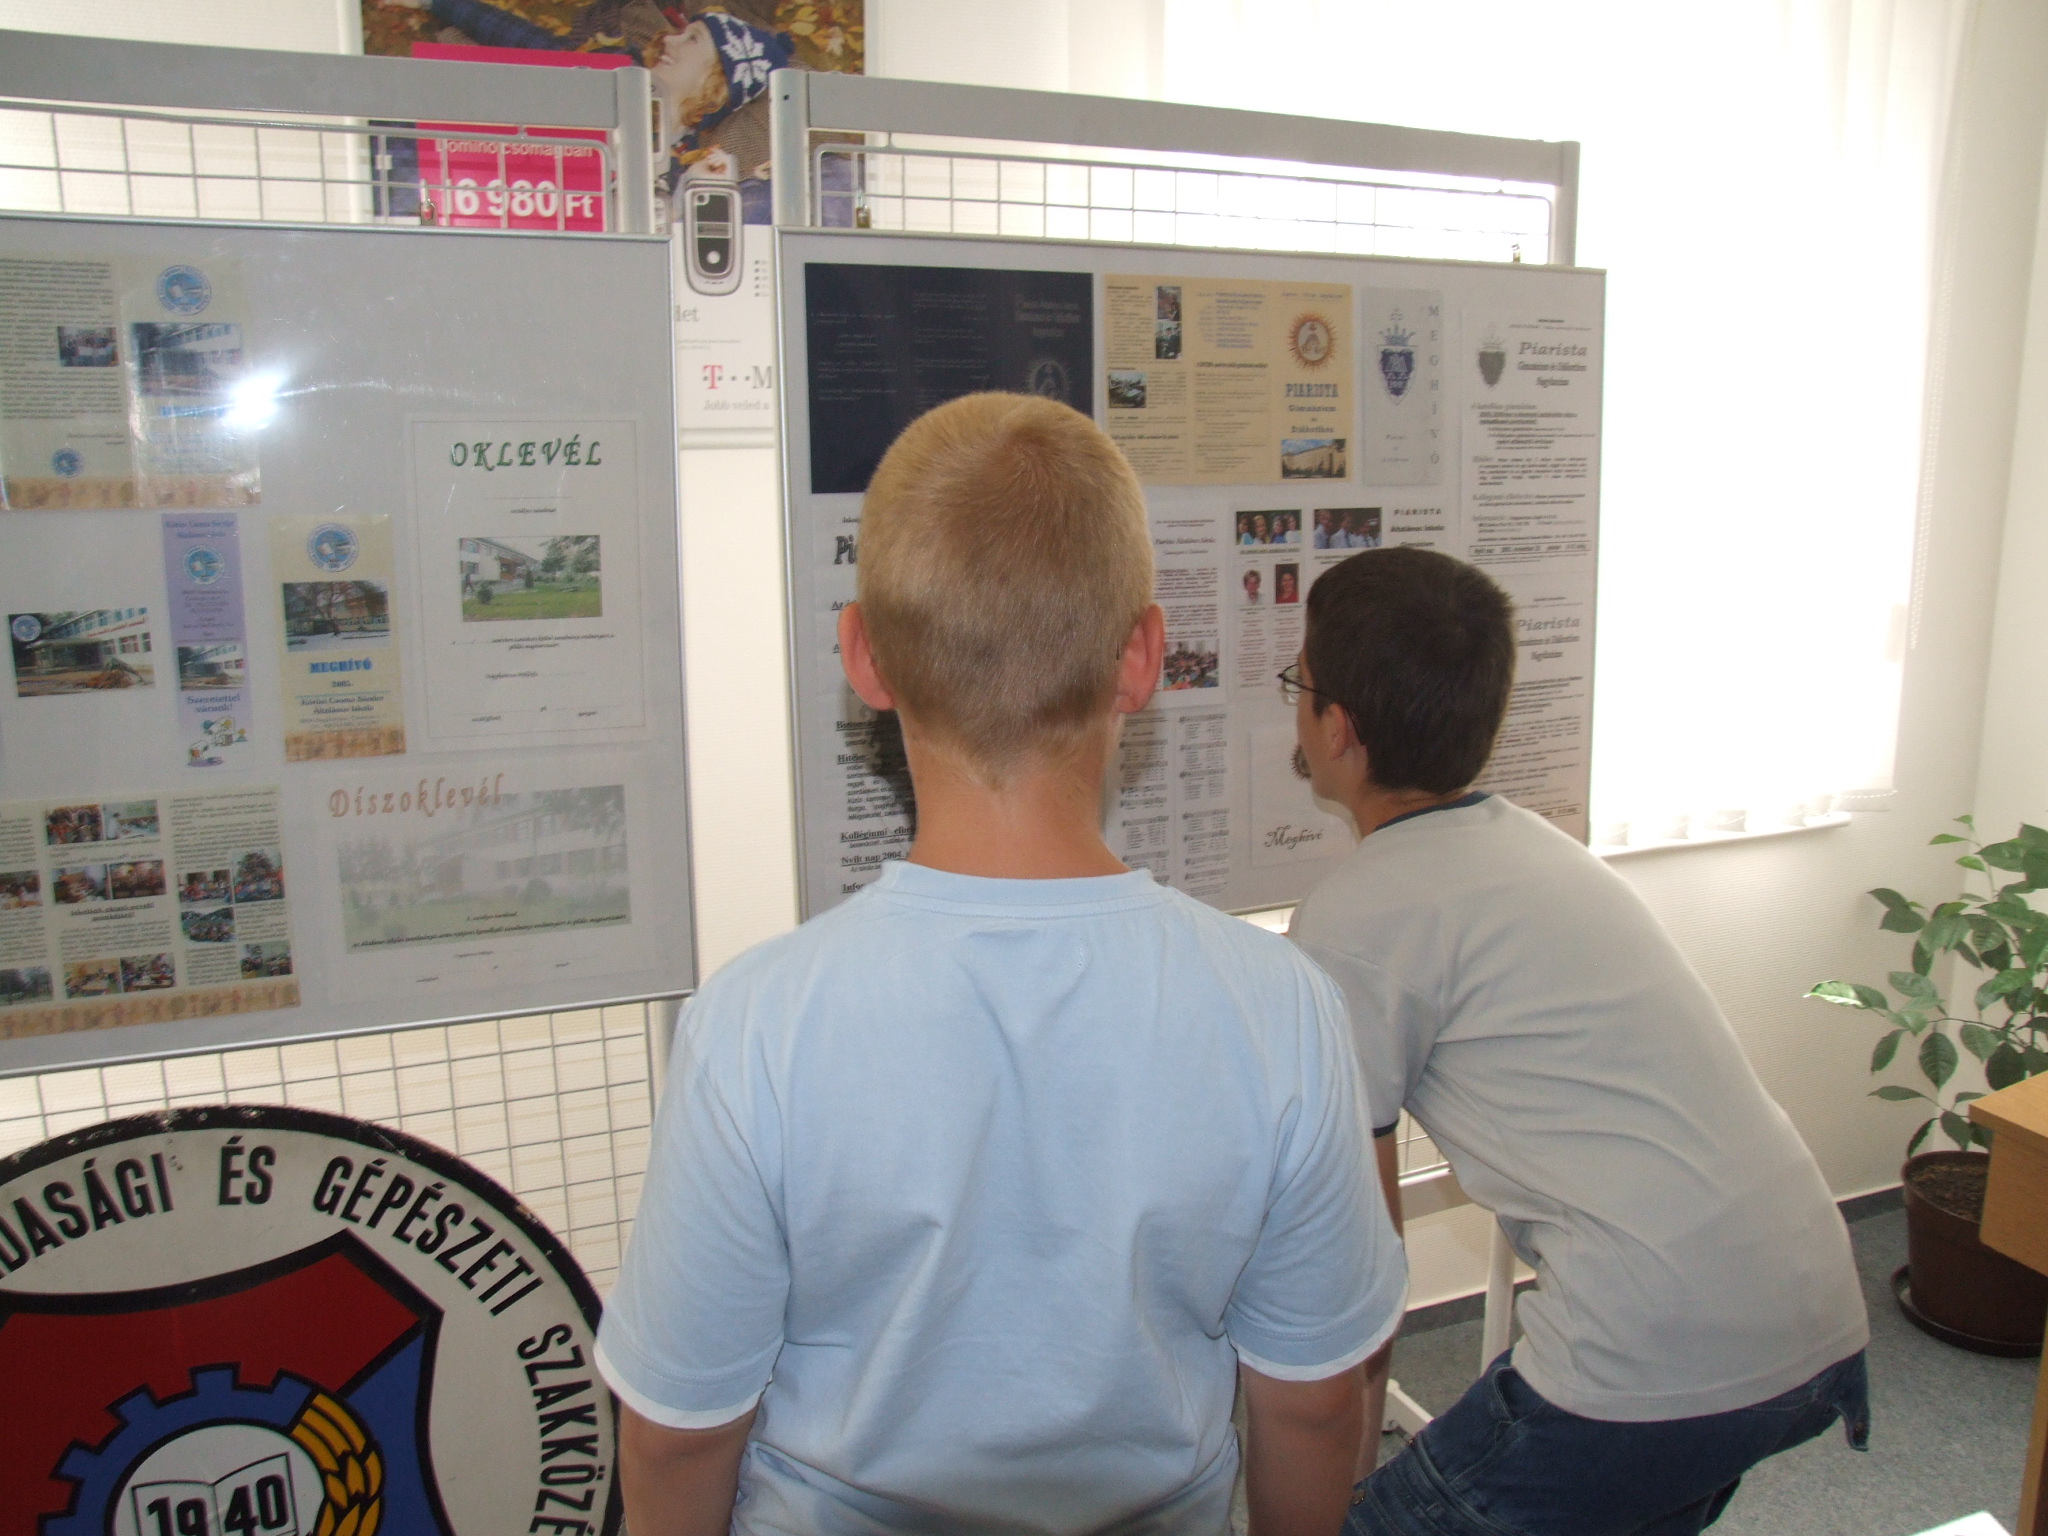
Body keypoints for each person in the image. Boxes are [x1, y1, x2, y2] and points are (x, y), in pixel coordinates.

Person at [600, 393, 1406, 1535]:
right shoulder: (1280, 1007)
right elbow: (1315, 1401)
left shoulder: (755, 1022)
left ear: (862, 656)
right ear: (1142, 658)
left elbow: (678, 1431)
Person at [1285, 547, 1870, 1536]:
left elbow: (1360, 1263)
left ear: (1336, 728)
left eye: (1297, 685)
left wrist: (1344, 1489)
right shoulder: (1537, 849)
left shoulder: (1354, 920)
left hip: (1652, 1354)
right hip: (1813, 1314)